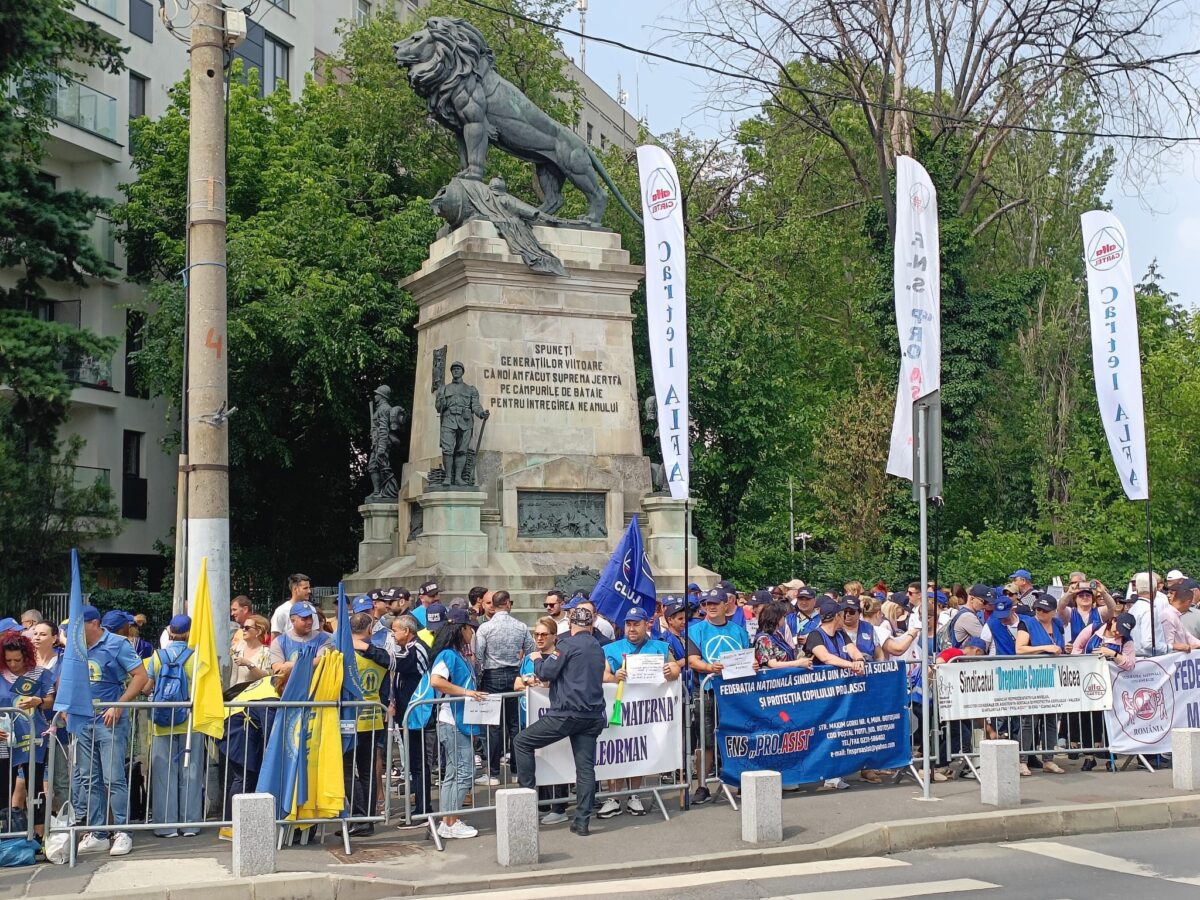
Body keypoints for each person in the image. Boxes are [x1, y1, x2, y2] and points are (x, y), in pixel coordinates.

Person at [513, 605, 607, 836]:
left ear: (571, 625)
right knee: (585, 769)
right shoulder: (597, 647)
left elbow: (546, 672)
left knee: (522, 742)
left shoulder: (567, 645)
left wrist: (535, 660)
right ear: (592, 625)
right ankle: (582, 821)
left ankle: (525, 802)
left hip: (567, 713)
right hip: (592, 715)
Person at [74, 604, 149, 857]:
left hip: (109, 722)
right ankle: (97, 832)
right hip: (84, 720)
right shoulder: (77, 645)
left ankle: (123, 831)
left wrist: (119, 704)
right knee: (89, 779)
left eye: (80, 623)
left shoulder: (117, 643)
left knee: (113, 778)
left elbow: (140, 676)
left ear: (94, 623)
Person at [597, 607, 680, 818]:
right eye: (628, 624)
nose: (631, 628)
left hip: (645, 713)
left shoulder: (660, 647)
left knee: (639, 749)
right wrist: (615, 676)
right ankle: (613, 798)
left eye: (636, 624)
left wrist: (672, 672)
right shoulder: (612, 648)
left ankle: (635, 795)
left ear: (647, 624)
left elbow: (675, 669)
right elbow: (603, 675)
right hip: (618, 709)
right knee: (615, 751)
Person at [686, 588, 754, 804]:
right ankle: (703, 785)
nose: (711, 607)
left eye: (715, 603)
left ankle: (742, 780)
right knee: (705, 739)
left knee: (737, 736)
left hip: (734, 694)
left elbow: (747, 657)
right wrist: (709, 667)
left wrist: (753, 664)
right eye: (707, 603)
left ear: (727, 604)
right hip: (706, 690)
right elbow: (692, 660)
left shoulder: (739, 631)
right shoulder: (696, 630)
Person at [427, 608, 487, 839]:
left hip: (455, 720)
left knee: (453, 774)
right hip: (453, 720)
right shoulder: (449, 655)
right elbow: (436, 681)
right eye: (470, 628)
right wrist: (466, 693)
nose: (472, 632)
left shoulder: (456, 654)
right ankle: (450, 821)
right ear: (461, 629)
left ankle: (448, 820)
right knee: (465, 771)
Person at [144, 615, 205, 837]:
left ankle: (165, 826)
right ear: (190, 632)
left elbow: (147, 687)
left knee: (163, 775)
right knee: (191, 772)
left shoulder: (158, 656)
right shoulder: (197, 657)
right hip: (191, 723)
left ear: (169, 631)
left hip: (162, 722)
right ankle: (190, 824)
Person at [474, 590, 534, 787]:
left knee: (494, 726)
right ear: (507, 603)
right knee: (515, 725)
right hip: (514, 674)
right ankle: (518, 770)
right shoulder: (521, 626)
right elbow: (532, 650)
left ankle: (493, 773)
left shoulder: (485, 628)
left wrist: (479, 676)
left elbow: (479, 656)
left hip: (492, 676)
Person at [513, 617, 570, 825]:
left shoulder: (559, 656)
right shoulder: (529, 658)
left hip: (554, 717)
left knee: (556, 758)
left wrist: (537, 682)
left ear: (554, 636)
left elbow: (552, 682)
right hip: (529, 715)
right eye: (536, 634)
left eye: (544, 634)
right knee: (534, 758)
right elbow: (517, 682)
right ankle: (539, 803)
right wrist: (528, 682)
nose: (538, 638)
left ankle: (559, 805)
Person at [0, 633, 55, 829]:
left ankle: (39, 832)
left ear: (27, 656)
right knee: (4, 788)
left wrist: (38, 701)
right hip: (5, 742)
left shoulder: (40, 673)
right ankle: (6, 834)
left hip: (34, 739)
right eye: (8, 660)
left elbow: (50, 702)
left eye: (17, 660)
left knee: (36, 787)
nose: (13, 664)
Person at [344, 612, 391, 836]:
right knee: (367, 771)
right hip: (373, 717)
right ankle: (365, 818)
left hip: (349, 719)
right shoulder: (378, 654)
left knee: (346, 770)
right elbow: (389, 665)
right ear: (370, 630)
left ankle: (361, 816)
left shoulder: (344, 655)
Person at [1071, 611, 1137, 771]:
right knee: (1087, 719)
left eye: (1123, 631)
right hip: (1088, 681)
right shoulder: (1093, 629)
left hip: (1112, 685)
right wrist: (1084, 662)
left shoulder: (1126, 641)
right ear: (1113, 620)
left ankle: (1111, 757)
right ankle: (1089, 757)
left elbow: (1130, 664)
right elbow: (1076, 648)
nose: (1119, 632)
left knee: (1109, 720)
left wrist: (1113, 654)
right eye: (1118, 627)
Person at [1014, 594, 1066, 775]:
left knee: (1051, 719)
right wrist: (1044, 648)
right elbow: (1019, 649)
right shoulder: (1027, 623)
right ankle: (1022, 760)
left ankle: (1049, 759)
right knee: (1029, 720)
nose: (1040, 612)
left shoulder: (1057, 624)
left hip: (1054, 678)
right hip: (1033, 677)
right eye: (1037, 608)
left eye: (1044, 610)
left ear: (1052, 612)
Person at [389, 614, 431, 820]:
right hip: (408, 714)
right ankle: (419, 803)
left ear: (407, 631)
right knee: (414, 762)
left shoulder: (418, 649)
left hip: (418, 715)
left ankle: (424, 808)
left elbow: (401, 665)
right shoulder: (407, 649)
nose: (393, 635)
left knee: (419, 762)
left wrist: (369, 650)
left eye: (395, 630)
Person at [269, 601, 332, 677]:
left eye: (310, 617)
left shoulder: (324, 639)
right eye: (304, 619)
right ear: (292, 621)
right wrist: (308, 664)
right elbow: (278, 669)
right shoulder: (279, 641)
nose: (309, 622)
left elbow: (320, 661)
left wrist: (290, 666)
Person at [753, 600, 813, 671]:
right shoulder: (764, 639)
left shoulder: (778, 634)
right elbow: (772, 664)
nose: (785, 619)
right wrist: (798, 663)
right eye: (783, 616)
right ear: (776, 618)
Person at [230, 614, 271, 688]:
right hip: (232, 694)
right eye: (242, 627)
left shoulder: (266, 652)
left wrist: (249, 664)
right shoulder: (237, 647)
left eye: (247, 628)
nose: (243, 630)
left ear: (258, 632)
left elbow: (267, 676)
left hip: (253, 695)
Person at [1162, 580, 1200, 652]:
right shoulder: (1168, 615)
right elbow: (1168, 645)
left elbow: (1188, 637)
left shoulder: (1176, 615)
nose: (1168, 595)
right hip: (1172, 660)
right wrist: (1184, 647)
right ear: (1188, 602)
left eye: (1171, 593)